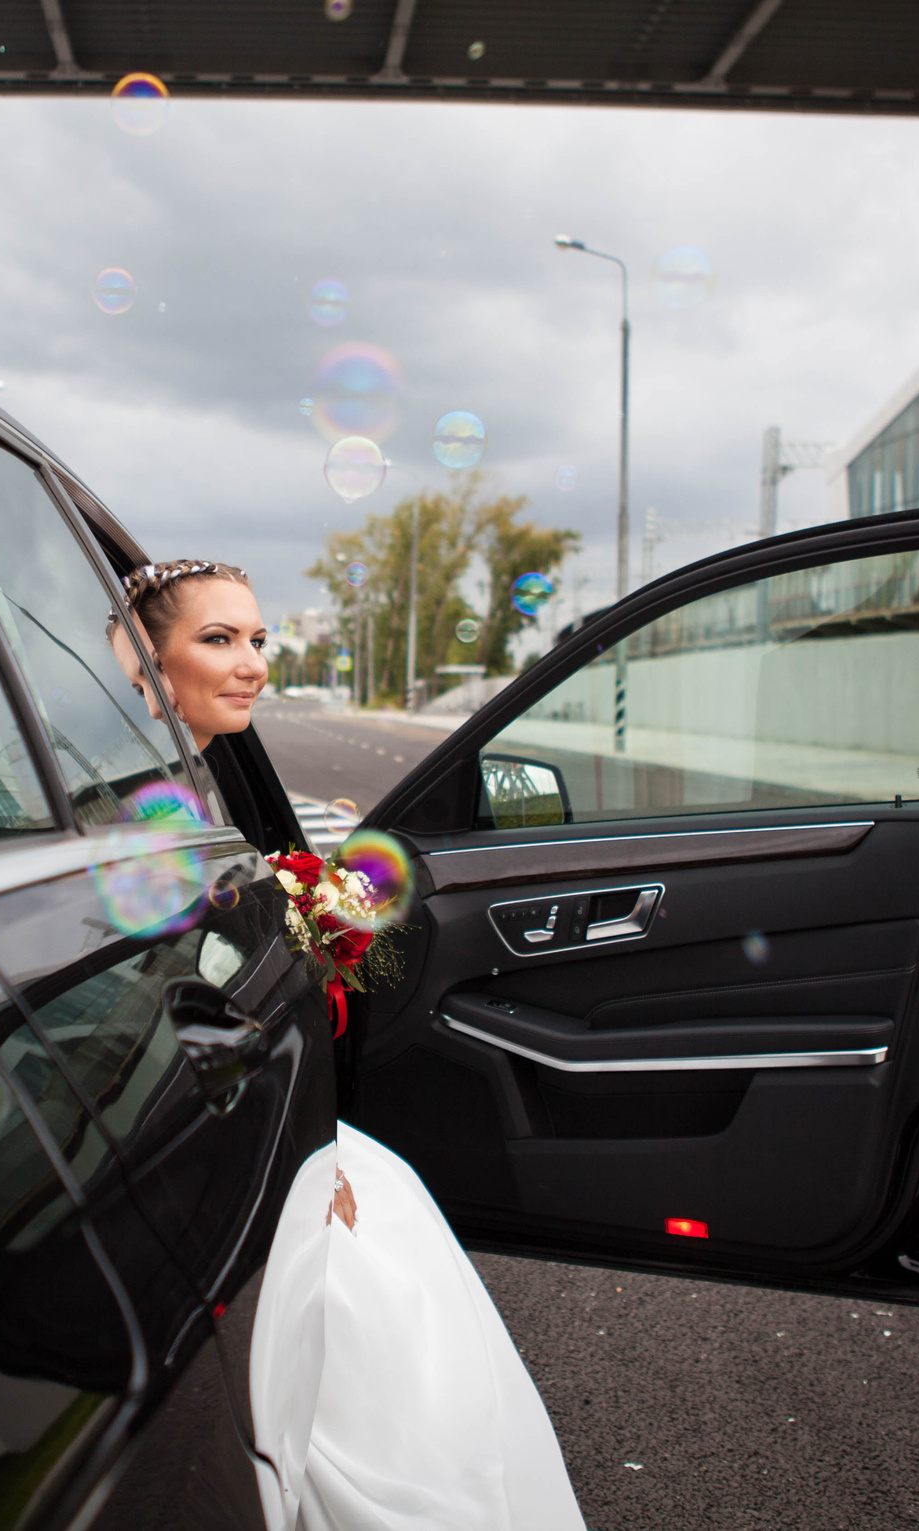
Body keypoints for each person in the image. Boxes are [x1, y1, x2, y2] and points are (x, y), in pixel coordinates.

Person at [113, 559, 588, 1531]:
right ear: (144, 661)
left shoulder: (200, 783)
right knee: (397, 1307)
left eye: (257, 641)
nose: (249, 664)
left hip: (248, 1099)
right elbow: (156, 998)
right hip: (193, 1119)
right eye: (217, 639)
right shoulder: (138, 809)